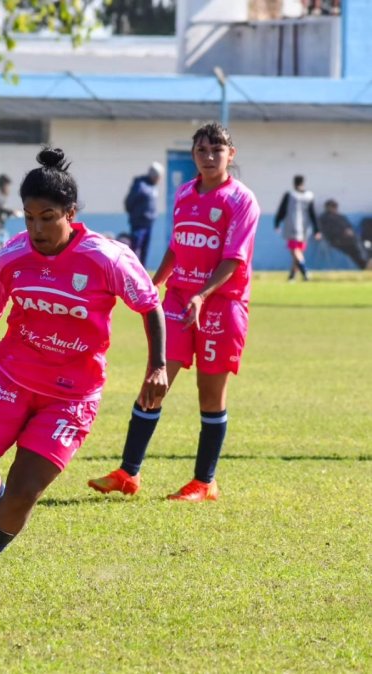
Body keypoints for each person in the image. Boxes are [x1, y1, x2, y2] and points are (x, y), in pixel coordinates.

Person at [0, 147, 167, 569]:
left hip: (71, 396)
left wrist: (157, 366)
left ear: (71, 213)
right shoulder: (13, 255)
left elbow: (149, 305)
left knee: (26, 489)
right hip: (9, 378)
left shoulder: (108, 258)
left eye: (47, 217)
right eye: (29, 218)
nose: (37, 228)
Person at [88, 122, 261, 502]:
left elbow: (233, 261)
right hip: (179, 301)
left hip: (221, 305)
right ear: (193, 156)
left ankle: (204, 482)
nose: (209, 156)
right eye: (202, 150)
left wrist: (202, 296)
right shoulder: (185, 193)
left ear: (231, 155)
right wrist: (153, 284)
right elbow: (177, 246)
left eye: (217, 149)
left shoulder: (241, 200)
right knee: (155, 381)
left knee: (210, 395)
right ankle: (128, 473)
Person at [274, 174, 319, 281]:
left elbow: (282, 210)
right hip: (305, 228)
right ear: (303, 183)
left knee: (295, 252)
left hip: (292, 227)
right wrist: (317, 229)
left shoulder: (290, 195)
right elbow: (313, 213)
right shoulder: (309, 195)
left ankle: (305, 271)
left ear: (294, 183)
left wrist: (277, 222)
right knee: (298, 251)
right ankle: (292, 276)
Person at [124, 161, 163, 265]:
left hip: (149, 224)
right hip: (139, 224)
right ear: (154, 175)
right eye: (159, 177)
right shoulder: (140, 185)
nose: (160, 180)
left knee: (145, 251)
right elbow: (129, 202)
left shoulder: (153, 187)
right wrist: (137, 216)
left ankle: (142, 273)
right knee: (136, 250)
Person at [318, 199, 370, 270]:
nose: (335, 208)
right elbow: (328, 231)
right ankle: (364, 264)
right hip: (338, 240)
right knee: (354, 250)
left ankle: (365, 264)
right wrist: (343, 233)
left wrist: (350, 231)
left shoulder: (340, 216)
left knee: (360, 247)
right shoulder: (325, 218)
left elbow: (349, 226)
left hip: (350, 238)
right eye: (333, 207)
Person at [0, 174, 22, 244]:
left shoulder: (1, 196)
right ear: (2, 186)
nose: (8, 189)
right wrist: (11, 212)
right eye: (7, 186)